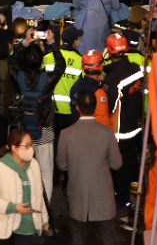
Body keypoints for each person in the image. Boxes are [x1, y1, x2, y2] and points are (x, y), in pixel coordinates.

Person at [8, 28, 65, 209]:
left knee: (20, 174)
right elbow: (61, 64)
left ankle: (22, 210)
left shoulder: (18, 77)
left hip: (22, 133)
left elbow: (11, 61)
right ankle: (44, 215)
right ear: (42, 62)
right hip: (45, 130)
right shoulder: (47, 80)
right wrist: (52, 43)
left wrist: (24, 42)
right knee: (46, 175)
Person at [56, 90, 123, 245]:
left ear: (77, 108)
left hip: (77, 193)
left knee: (78, 232)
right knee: (108, 232)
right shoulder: (107, 133)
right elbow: (116, 164)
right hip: (103, 194)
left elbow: (62, 165)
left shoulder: (66, 134)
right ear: (96, 107)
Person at [0, 129, 50, 245]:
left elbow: (38, 196)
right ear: (14, 148)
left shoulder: (34, 165)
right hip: (3, 225)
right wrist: (12, 207)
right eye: (26, 146)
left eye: (31, 145)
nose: (30, 149)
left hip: (27, 226)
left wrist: (44, 220)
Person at [101, 33, 143, 208]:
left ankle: (122, 199)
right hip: (135, 124)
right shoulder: (135, 68)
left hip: (120, 129)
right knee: (132, 160)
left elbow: (109, 108)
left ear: (109, 51)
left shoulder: (112, 80)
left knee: (118, 165)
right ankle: (135, 190)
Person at [68, 50, 110, 126]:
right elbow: (103, 122)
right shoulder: (99, 92)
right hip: (92, 135)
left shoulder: (75, 85)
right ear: (100, 68)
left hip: (75, 132)